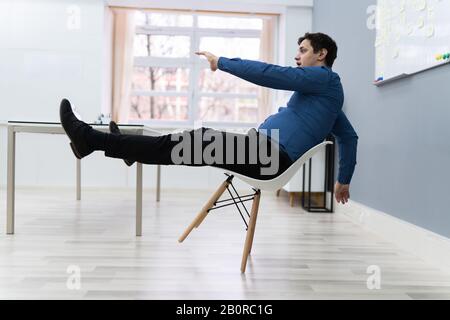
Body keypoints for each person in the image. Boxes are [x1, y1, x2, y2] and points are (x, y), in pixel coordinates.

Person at [59, 32, 358, 205]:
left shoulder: (324, 79)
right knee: (187, 141)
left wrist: (222, 62)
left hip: (268, 157)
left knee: (193, 141)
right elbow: (349, 136)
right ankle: (125, 147)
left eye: (303, 51)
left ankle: (92, 140)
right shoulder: (328, 97)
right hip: (263, 152)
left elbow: (273, 75)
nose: (297, 57)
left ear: (322, 54)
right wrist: (343, 180)